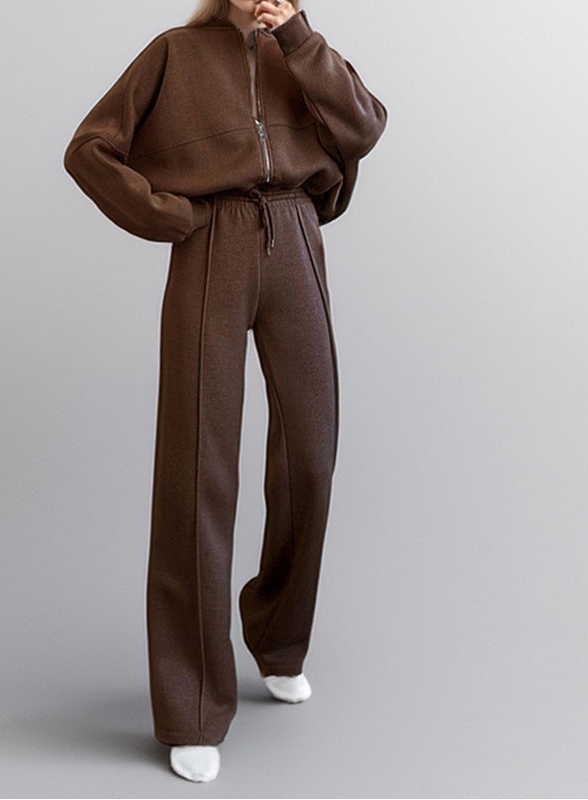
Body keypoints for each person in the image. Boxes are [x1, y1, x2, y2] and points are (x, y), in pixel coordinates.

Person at [63, 0, 387, 783]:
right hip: (213, 243)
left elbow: (364, 126)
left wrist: (299, 37)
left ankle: (277, 636)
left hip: (294, 237)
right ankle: (193, 706)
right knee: (197, 468)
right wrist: (165, 214)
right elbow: (90, 149)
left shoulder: (301, 51)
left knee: (311, 454)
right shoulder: (175, 52)